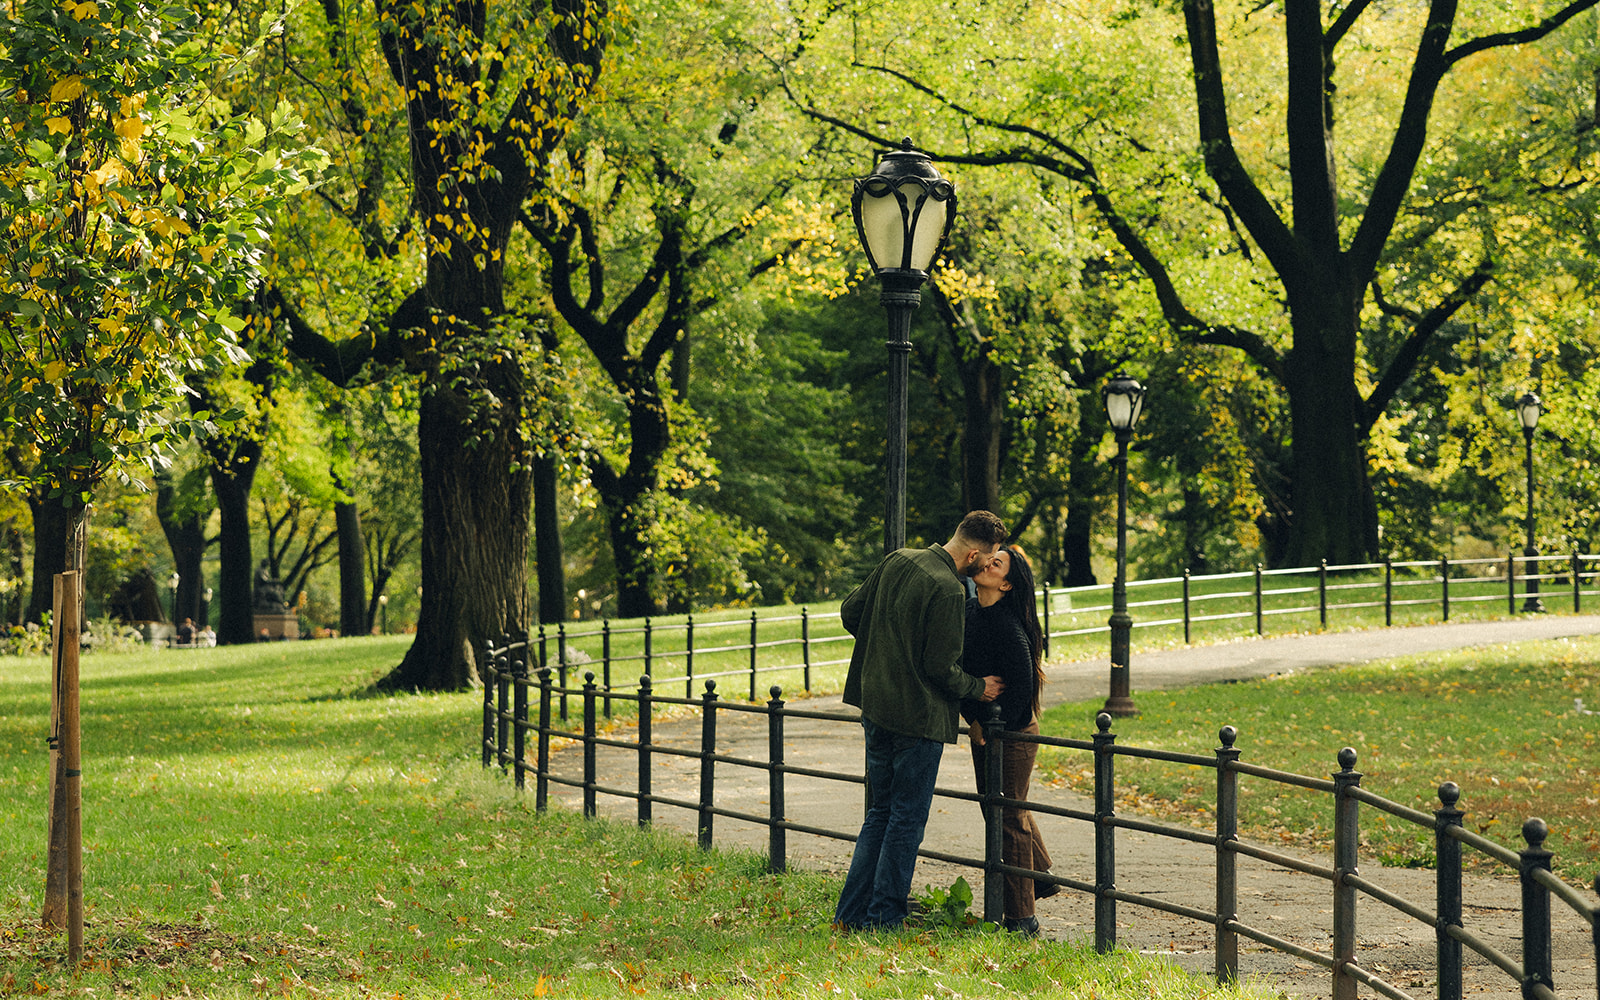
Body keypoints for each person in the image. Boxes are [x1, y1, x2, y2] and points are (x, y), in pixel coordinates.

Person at [833, 510, 1010, 932]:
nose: (987, 567)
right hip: (918, 718)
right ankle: (885, 916)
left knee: (879, 813)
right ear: (971, 554)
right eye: (987, 560)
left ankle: (851, 915)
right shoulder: (948, 589)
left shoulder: (898, 560)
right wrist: (978, 687)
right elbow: (940, 667)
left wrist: (887, 647)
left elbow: (850, 612)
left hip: (875, 705)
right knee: (906, 820)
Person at [961, 544, 1053, 936]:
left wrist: (991, 727)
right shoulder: (971, 613)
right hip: (988, 728)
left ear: (1008, 584)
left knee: (1008, 816)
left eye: (996, 564)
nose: (987, 564)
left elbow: (1022, 688)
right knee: (994, 806)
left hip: (1013, 730)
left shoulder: (1006, 624)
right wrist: (976, 719)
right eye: (988, 559)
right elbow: (962, 673)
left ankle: (1022, 918)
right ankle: (1040, 874)